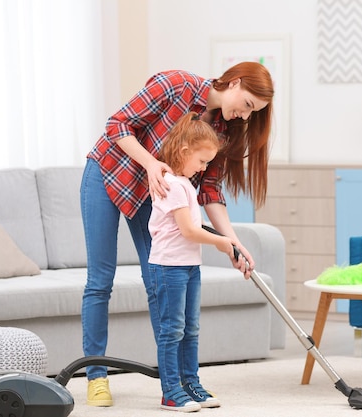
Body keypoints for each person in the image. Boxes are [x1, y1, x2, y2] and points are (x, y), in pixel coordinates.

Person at [80, 61, 274, 407]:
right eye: (247, 105)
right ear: (236, 82)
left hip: (154, 197)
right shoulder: (176, 85)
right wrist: (151, 163)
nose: (245, 116)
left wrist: (234, 242)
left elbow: (209, 191)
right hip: (110, 174)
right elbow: (117, 124)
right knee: (100, 280)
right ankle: (96, 376)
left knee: (158, 281)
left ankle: (176, 383)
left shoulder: (223, 132)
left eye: (252, 113)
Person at [148, 112, 235, 411]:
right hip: (169, 267)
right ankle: (171, 391)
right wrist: (223, 242)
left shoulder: (185, 184)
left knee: (191, 328)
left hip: (188, 266)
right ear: (184, 152)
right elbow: (188, 230)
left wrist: (227, 239)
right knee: (172, 329)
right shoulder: (172, 184)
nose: (204, 168)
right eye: (201, 162)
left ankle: (191, 384)